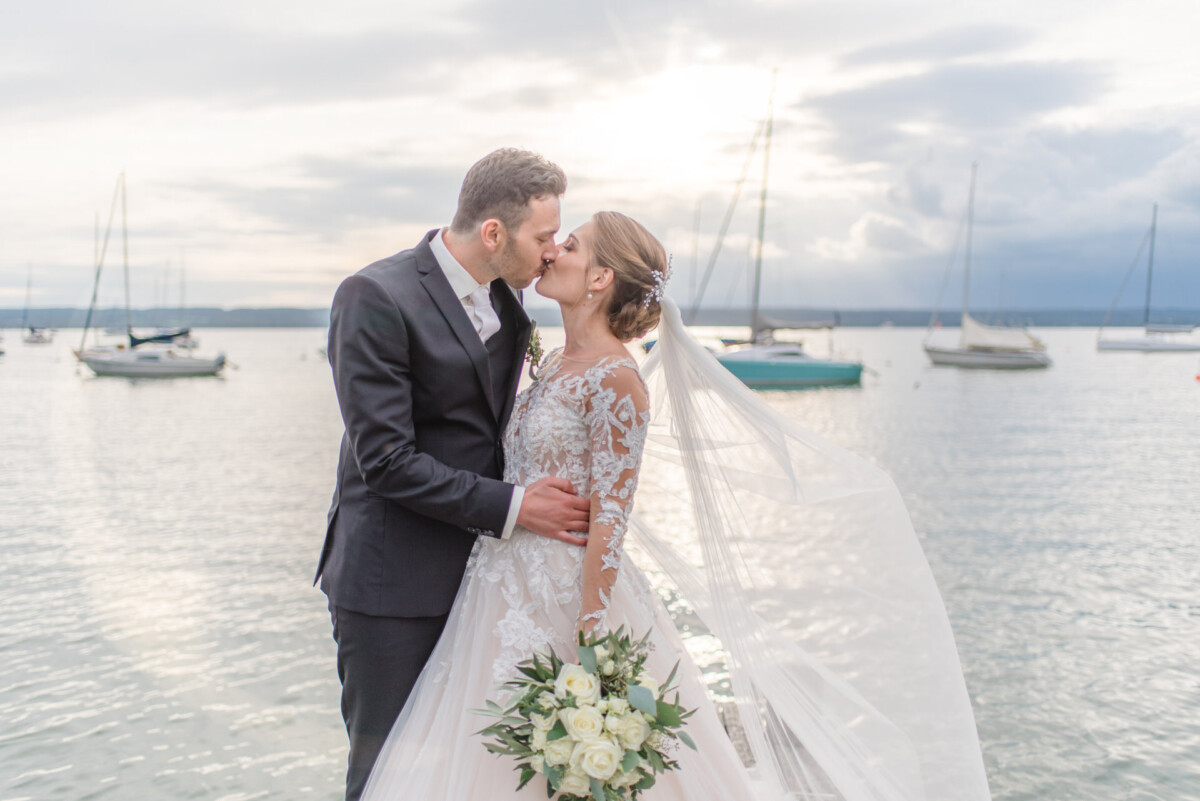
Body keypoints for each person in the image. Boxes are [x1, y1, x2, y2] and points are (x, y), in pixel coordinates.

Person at [358, 212, 992, 801]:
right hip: (499, 582)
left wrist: (591, 629)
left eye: (571, 245)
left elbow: (612, 510)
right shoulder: (550, 360)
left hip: (568, 595)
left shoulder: (617, 378)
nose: (554, 251)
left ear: (601, 277)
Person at [317, 149, 593, 801]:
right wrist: (516, 506)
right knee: (387, 775)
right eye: (543, 236)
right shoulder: (375, 295)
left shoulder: (514, 304)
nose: (551, 252)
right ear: (493, 233)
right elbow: (383, 459)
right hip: (391, 585)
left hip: (482, 581)